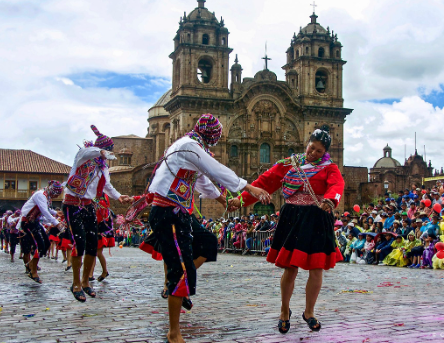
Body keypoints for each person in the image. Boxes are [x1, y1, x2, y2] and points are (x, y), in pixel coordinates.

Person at [144, 114, 269, 343]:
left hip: (179, 211)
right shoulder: (189, 146)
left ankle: (180, 281)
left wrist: (223, 200)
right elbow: (215, 169)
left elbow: (201, 180)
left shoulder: (192, 146)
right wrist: (249, 187)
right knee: (179, 271)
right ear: (212, 136)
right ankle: (174, 330)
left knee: (208, 242)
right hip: (168, 212)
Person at [230, 126, 344, 334]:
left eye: (319, 151)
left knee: (316, 269)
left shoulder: (329, 167)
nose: (313, 153)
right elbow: (264, 182)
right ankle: (284, 310)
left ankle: (309, 312)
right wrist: (240, 200)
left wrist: (331, 199)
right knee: (290, 267)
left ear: (325, 152)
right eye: (312, 148)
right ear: (307, 144)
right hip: (293, 217)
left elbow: (337, 185)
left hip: (317, 218)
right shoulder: (289, 164)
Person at [63, 125, 130, 302]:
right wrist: (100, 149)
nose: (108, 153)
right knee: (79, 242)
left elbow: (107, 186)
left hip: (88, 205)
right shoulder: (83, 156)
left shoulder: (103, 167)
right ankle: (76, 283)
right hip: (72, 204)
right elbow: (91, 151)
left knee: (92, 244)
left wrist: (119, 196)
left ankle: (86, 282)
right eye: (107, 150)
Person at [19, 181, 65, 283]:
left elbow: (47, 209)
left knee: (46, 244)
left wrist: (55, 213)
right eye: (55, 194)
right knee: (39, 245)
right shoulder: (41, 195)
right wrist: (56, 223)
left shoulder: (46, 195)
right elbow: (44, 210)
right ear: (52, 191)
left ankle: (31, 265)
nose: (56, 196)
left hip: (34, 222)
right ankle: (33, 270)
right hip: (27, 222)